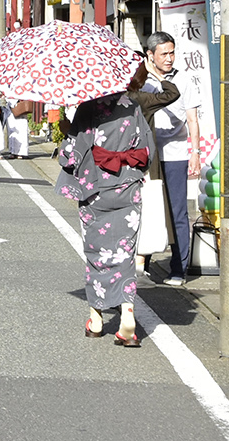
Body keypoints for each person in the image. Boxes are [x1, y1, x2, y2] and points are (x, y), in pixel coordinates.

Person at [54, 83, 161, 347]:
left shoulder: (88, 108)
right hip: (128, 190)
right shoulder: (134, 108)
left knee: (97, 254)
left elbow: (70, 156)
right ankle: (127, 317)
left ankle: (97, 319)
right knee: (125, 254)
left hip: (96, 191)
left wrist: (67, 130)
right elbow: (148, 153)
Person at [140, 31, 201, 286]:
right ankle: (142, 264)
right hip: (148, 153)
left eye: (172, 52)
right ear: (150, 55)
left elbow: (192, 118)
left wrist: (195, 152)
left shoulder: (184, 80)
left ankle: (179, 268)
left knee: (177, 211)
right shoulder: (140, 82)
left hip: (175, 153)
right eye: (163, 53)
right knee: (150, 208)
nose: (169, 58)